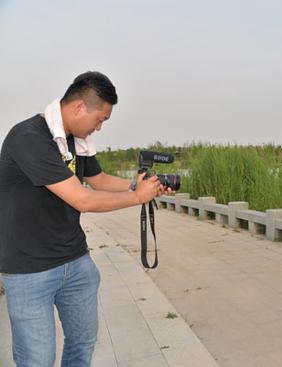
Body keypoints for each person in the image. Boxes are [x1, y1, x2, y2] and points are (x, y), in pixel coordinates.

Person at [0, 71, 169, 367]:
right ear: (79, 108)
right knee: (37, 360)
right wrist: (136, 198)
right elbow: (83, 198)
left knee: (82, 345)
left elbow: (99, 179)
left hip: (75, 263)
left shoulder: (74, 140)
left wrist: (140, 186)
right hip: (29, 270)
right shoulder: (28, 138)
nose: (99, 128)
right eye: (100, 119)